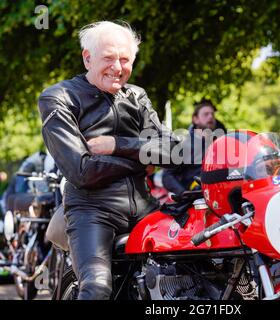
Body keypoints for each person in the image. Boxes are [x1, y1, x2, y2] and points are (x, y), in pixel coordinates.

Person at [38, 21, 179, 300]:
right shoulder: (59, 97)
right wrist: (143, 160)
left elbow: (174, 151)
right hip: (92, 211)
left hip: (144, 208)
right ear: (87, 58)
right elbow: (82, 171)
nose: (117, 67)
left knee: (192, 268)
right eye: (109, 58)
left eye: (125, 59)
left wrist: (118, 145)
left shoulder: (137, 96)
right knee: (98, 288)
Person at [162, 99, 226, 196]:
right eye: (206, 114)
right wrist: (184, 193)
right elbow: (167, 175)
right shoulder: (183, 144)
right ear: (195, 119)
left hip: (222, 193)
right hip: (197, 199)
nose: (211, 117)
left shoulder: (221, 141)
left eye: (212, 114)